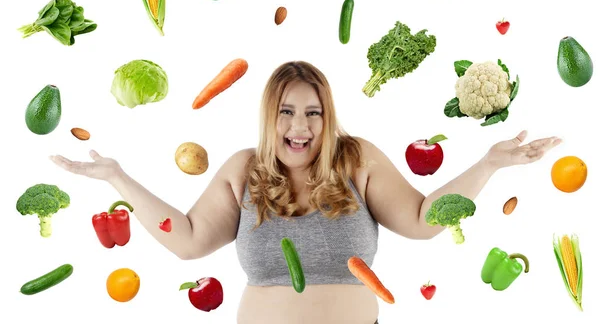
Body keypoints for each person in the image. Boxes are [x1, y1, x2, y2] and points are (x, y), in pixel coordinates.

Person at [50, 61, 561, 324]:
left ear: (327, 118)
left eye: (313, 113)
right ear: (269, 116)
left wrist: (489, 164)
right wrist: (117, 177)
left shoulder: (357, 159)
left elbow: (424, 219)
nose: (300, 127)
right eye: (287, 112)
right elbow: (185, 239)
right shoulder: (242, 170)